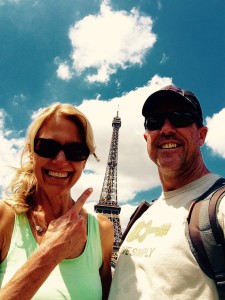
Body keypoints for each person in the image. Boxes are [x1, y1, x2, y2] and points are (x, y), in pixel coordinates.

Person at [109, 85, 225, 299]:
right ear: (147, 138)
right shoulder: (142, 214)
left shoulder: (218, 206)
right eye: (155, 121)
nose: (166, 129)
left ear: (201, 135)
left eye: (179, 118)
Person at [0, 102, 114, 300]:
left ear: (85, 160)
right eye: (48, 147)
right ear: (31, 152)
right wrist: (49, 253)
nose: (60, 160)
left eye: (76, 151)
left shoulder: (102, 230)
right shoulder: (5, 217)